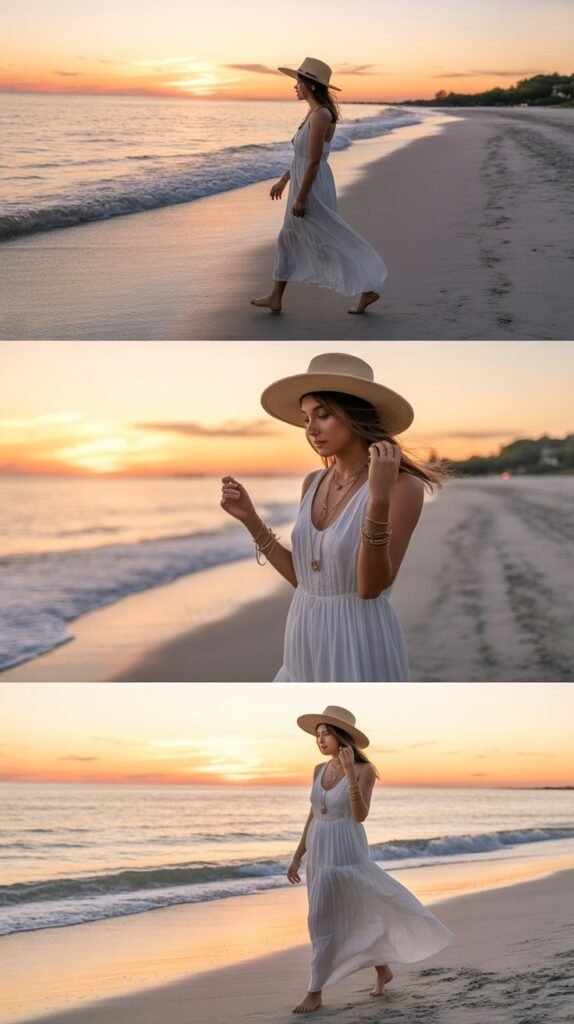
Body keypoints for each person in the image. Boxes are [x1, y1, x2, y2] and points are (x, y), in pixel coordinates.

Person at [220, 352, 445, 681]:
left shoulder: (401, 486)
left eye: (323, 415)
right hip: (302, 636)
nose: (311, 429)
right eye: (306, 418)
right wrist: (250, 519)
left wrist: (378, 499)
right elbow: (306, 579)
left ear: (353, 416)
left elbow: (370, 587)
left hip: (358, 640)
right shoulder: (313, 482)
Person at [287, 705, 452, 1014]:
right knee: (345, 911)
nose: (320, 740)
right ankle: (382, 969)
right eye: (317, 735)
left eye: (326, 734)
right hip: (320, 850)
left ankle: (315, 990)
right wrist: (298, 856)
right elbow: (312, 814)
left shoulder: (365, 771)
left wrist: (350, 775)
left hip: (346, 848)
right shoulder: (317, 770)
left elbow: (360, 816)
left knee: (325, 917)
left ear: (341, 737)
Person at [250, 57, 387, 315]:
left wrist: (301, 198)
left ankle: (366, 290)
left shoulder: (321, 115)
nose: (295, 87)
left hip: (311, 187)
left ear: (310, 86)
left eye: (298, 83)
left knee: (324, 239)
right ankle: (275, 297)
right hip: (303, 182)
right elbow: (302, 158)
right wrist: (284, 179)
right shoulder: (312, 113)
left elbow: (313, 162)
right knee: (289, 236)